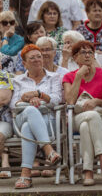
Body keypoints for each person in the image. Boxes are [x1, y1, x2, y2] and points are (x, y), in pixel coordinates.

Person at [10, 45, 62, 189]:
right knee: (31, 111)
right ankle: (48, 150)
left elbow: (57, 99)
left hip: (48, 122)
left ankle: (25, 175)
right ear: (24, 63)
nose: (37, 59)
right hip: (21, 118)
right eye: (32, 58)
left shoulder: (54, 77)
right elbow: (13, 105)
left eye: (39, 56)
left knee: (29, 127)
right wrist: (26, 100)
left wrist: (39, 95)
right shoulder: (18, 80)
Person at [63, 41, 102, 186]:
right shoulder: (69, 76)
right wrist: (78, 77)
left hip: (100, 116)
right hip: (77, 117)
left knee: (87, 125)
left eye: (90, 52)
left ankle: (88, 172)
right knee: (89, 118)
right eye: (82, 53)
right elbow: (70, 102)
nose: (87, 55)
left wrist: (96, 101)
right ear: (74, 58)